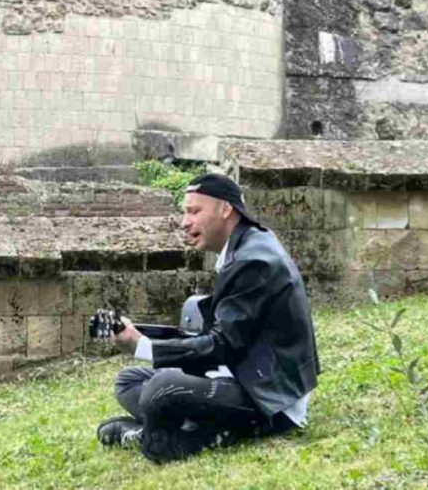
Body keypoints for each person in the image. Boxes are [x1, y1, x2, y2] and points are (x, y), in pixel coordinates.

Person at [96, 173, 320, 463]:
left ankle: (156, 437)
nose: (185, 222)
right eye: (184, 212)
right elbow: (223, 335)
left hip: (269, 399)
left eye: (194, 211)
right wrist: (143, 336)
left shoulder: (254, 261)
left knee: (161, 388)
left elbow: (221, 345)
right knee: (129, 380)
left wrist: (142, 347)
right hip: (240, 374)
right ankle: (196, 426)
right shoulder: (245, 245)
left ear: (225, 209)